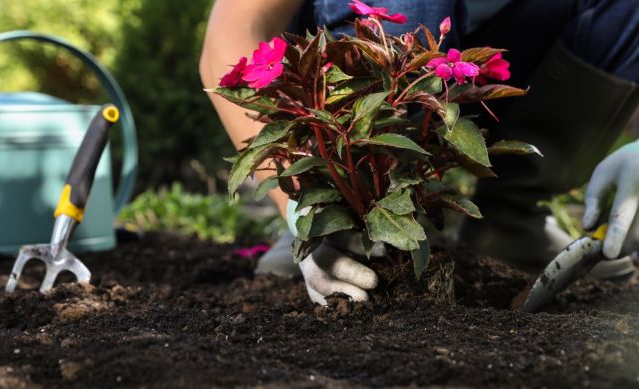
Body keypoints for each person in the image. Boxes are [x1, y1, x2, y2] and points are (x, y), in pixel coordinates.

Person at [200, 0, 639, 305]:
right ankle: (344, 227)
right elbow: (230, 35)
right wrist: (299, 207)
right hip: (381, 52)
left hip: (476, 67)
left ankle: (510, 220)